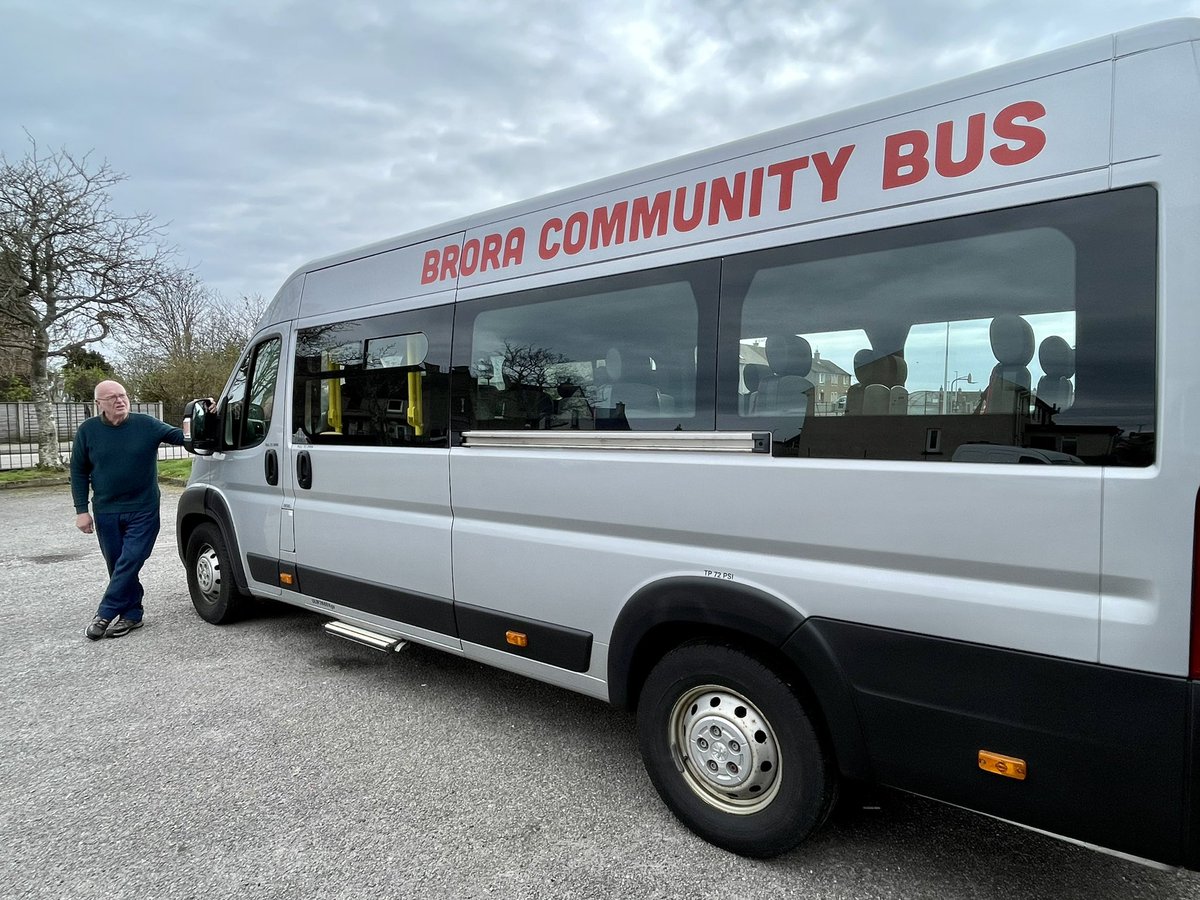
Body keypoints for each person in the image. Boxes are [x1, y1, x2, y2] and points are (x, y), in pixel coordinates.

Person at [71, 380, 185, 641]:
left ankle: (105, 612)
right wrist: (81, 510)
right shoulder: (88, 430)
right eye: (112, 397)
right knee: (117, 564)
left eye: (122, 395)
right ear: (98, 403)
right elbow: (78, 471)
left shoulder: (146, 424)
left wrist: (204, 420)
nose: (120, 400)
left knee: (131, 559)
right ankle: (132, 614)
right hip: (106, 509)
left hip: (143, 508)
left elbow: (183, 438)